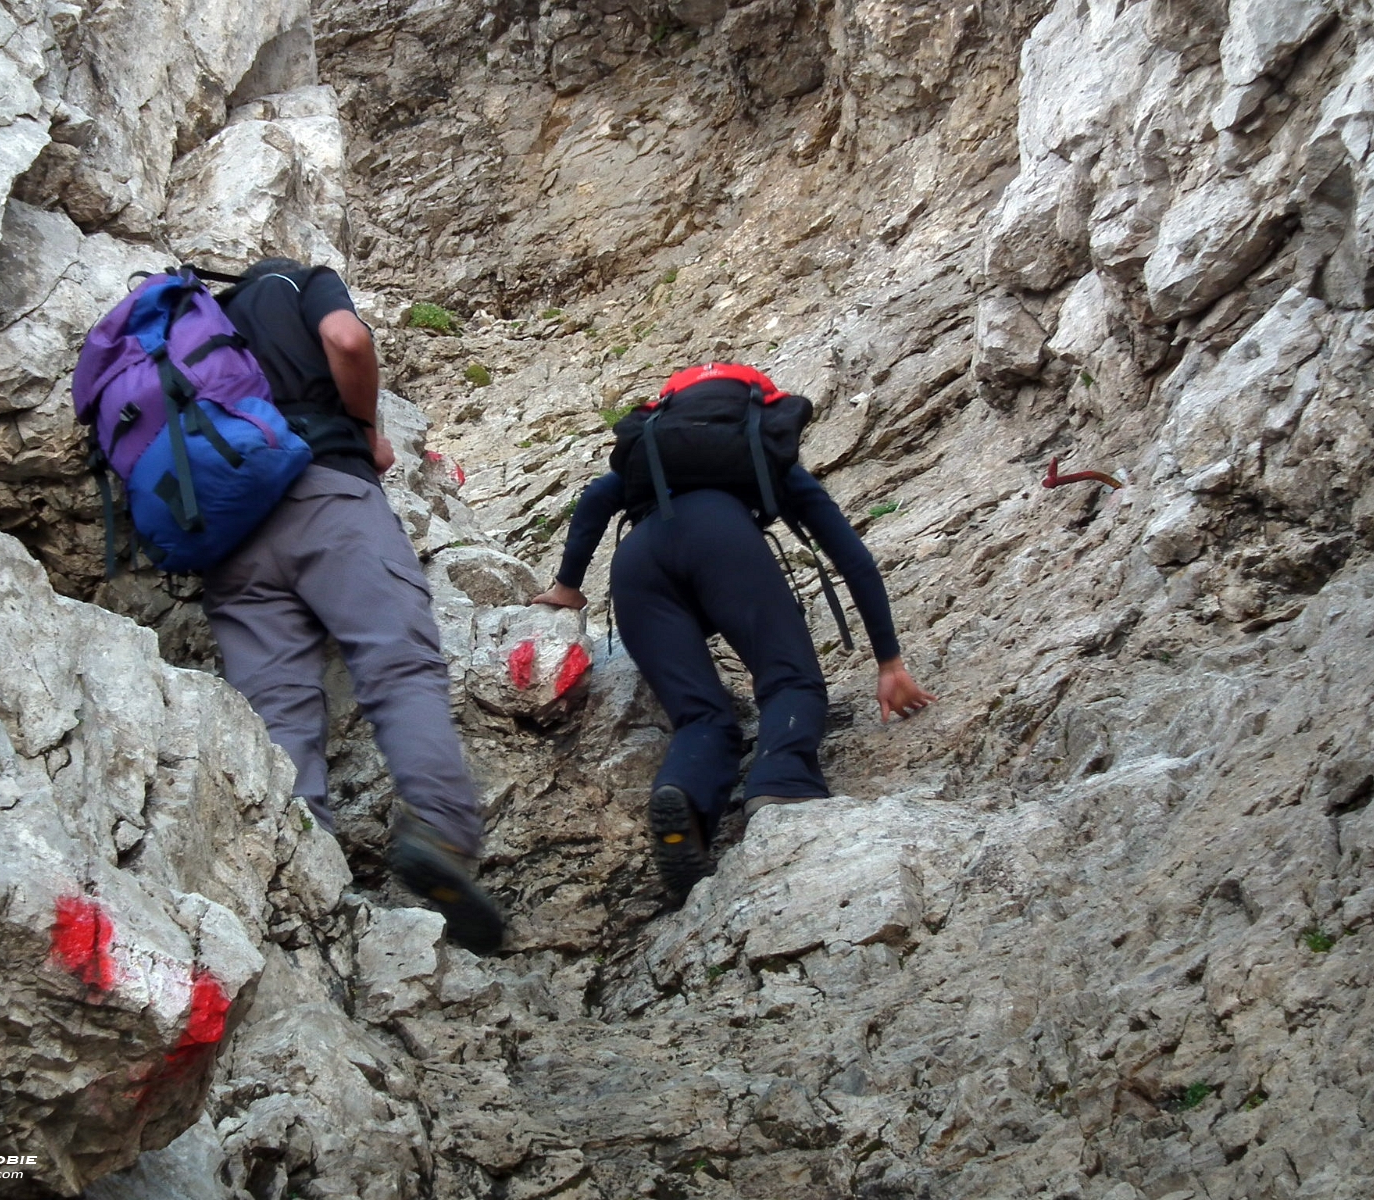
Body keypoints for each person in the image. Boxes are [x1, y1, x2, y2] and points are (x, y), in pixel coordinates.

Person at [533, 375, 936, 900]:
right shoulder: (759, 452)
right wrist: (889, 661)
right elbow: (851, 558)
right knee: (790, 680)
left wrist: (567, 586)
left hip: (637, 568)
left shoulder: (650, 453)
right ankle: (781, 783)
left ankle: (686, 801)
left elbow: (593, 501)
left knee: (700, 717)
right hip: (723, 542)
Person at [202, 258, 503, 953]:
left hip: (228, 537)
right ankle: (441, 829)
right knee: (399, 665)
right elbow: (347, 341)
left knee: (278, 710)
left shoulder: (194, 326)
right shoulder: (296, 281)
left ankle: (311, 887)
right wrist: (366, 430)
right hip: (324, 488)